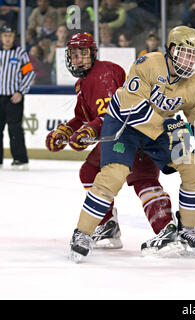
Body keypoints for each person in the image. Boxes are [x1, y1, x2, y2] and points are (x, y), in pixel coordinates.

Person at [68, 26, 195, 262]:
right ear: (172, 50)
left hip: (160, 129)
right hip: (124, 124)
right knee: (114, 174)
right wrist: (168, 128)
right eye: (186, 53)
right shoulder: (148, 63)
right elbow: (132, 106)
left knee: (194, 166)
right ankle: (82, 234)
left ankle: (187, 229)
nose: (191, 60)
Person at [46, 32, 174, 250]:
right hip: (134, 132)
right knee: (139, 176)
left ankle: (118, 226)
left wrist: (88, 132)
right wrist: (65, 131)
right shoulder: (84, 82)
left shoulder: (103, 74)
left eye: (83, 54)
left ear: (93, 54)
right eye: (74, 55)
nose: (78, 59)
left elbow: (113, 115)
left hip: (130, 132)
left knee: (103, 173)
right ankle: (163, 230)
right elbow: (82, 117)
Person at [0, 24, 35, 170]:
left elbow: (29, 73)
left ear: (14, 37)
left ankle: (20, 158)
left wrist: (20, 92)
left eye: (10, 36)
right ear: (1, 37)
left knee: (15, 129)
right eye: (5, 35)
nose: (7, 38)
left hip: (13, 98)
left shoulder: (20, 53)